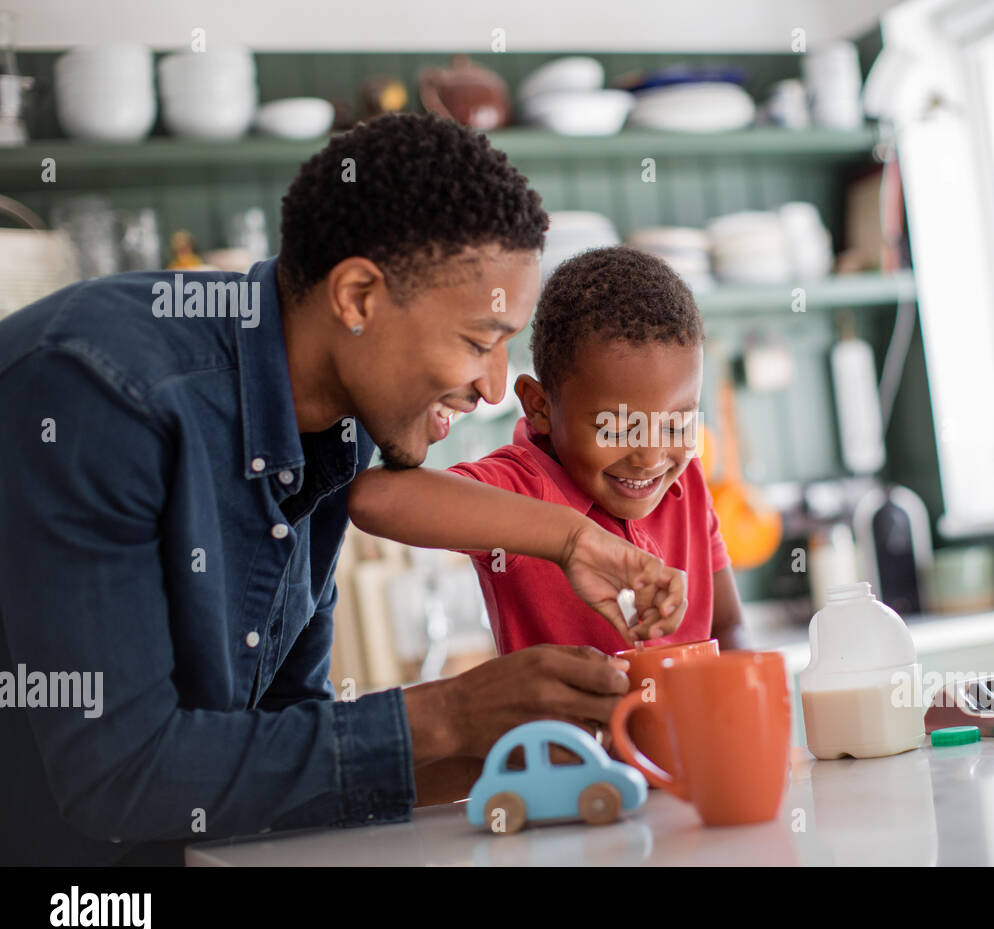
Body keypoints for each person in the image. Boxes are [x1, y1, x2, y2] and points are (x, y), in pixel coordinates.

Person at [0, 113, 684, 866]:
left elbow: (283, 739)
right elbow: (119, 778)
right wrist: (452, 713)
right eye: (477, 342)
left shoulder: (339, 433)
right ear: (357, 296)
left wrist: (513, 756)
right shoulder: (99, 392)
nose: (494, 388)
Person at [349, 246, 748, 654]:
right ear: (539, 406)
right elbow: (374, 498)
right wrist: (570, 540)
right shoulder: (520, 487)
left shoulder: (688, 483)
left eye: (674, 425)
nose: (650, 457)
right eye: (619, 427)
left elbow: (729, 627)